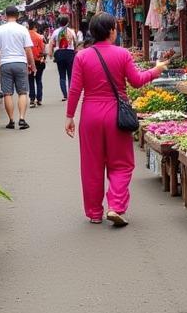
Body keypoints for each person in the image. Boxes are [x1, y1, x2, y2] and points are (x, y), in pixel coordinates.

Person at [65, 12, 167, 226]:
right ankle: (116, 206)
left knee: (91, 165)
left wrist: (69, 116)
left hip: (90, 114)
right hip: (115, 114)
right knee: (121, 163)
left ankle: (94, 212)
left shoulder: (82, 56)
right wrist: (156, 71)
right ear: (111, 31)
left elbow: (75, 89)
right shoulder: (122, 54)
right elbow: (137, 81)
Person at [0, 5, 35, 130]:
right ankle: (22, 119)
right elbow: (28, 50)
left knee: (7, 93)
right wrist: (32, 65)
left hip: (5, 64)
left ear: (5, 15)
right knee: (22, 92)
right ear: (18, 16)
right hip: (20, 63)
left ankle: (11, 120)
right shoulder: (23, 29)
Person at [49, 14, 82, 101]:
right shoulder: (71, 31)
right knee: (70, 75)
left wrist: (51, 54)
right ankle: (71, 94)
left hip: (60, 53)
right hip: (70, 53)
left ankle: (65, 95)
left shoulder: (55, 32)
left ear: (59, 23)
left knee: (62, 75)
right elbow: (76, 43)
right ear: (68, 22)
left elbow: (52, 43)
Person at [27, 20, 47, 107]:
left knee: (30, 80)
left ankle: (32, 99)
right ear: (35, 27)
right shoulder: (40, 37)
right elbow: (43, 50)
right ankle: (39, 99)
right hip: (39, 60)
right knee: (39, 79)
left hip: (28, 61)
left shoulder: (25, 36)